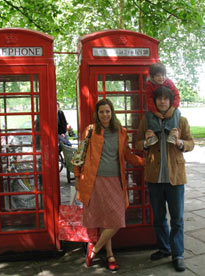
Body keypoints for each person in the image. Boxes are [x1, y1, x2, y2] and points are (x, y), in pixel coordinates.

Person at [74, 98, 145, 271]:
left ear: (112, 112)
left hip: (115, 180)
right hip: (95, 181)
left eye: (107, 111)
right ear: (97, 115)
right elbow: (80, 154)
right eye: (101, 112)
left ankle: (95, 249)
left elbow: (127, 154)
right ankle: (110, 254)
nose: (105, 114)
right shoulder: (90, 131)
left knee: (116, 218)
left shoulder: (121, 132)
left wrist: (144, 162)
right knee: (106, 219)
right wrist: (77, 177)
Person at [135, 86, 194, 272]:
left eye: (165, 99)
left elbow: (190, 142)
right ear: (155, 101)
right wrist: (145, 142)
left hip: (175, 177)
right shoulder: (147, 120)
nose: (162, 101)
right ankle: (164, 248)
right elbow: (136, 143)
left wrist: (180, 143)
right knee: (159, 217)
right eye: (159, 98)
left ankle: (178, 254)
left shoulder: (180, 120)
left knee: (177, 219)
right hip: (155, 177)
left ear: (170, 101)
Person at [145, 63, 181, 146]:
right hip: (155, 109)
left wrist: (172, 109)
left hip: (171, 108)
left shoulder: (168, 82)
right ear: (152, 76)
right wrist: (156, 112)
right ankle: (154, 133)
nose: (161, 78)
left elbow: (176, 95)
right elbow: (149, 99)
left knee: (177, 112)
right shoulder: (149, 84)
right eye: (158, 76)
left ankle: (172, 132)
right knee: (149, 114)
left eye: (163, 75)